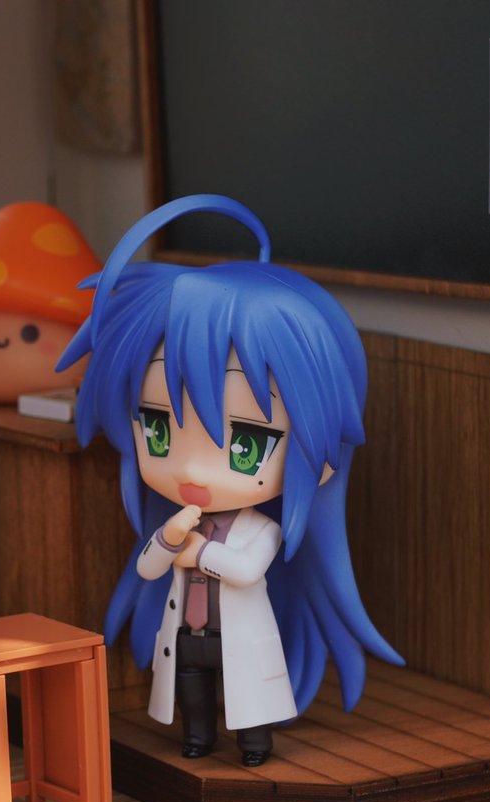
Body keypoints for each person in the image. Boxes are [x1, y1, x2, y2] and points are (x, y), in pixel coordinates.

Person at [57, 194, 403, 766]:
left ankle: (254, 746)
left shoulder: (258, 530)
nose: (192, 471)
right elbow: (147, 568)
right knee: (193, 697)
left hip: (236, 640)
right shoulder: (178, 524)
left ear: (320, 458)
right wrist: (169, 540)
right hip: (189, 642)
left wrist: (196, 553)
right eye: (157, 431)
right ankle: (197, 738)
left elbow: (246, 570)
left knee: (249, 708)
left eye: (246, 444)